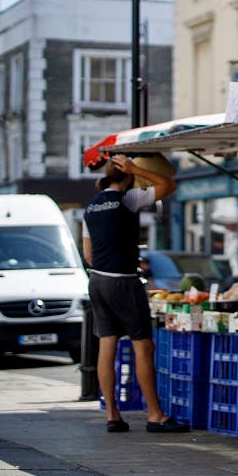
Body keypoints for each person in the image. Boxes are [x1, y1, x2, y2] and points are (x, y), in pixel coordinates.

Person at [82, 155, 188, 434]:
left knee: (108, 346)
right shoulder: (128, 199)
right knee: (143, 346)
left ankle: (113, 416)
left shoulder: (90, 208)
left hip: (97, 281)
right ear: (126, 176)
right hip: (124, 282)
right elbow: (168, 186)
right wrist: (136, 169)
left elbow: (88, 255)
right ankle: (155, 415)